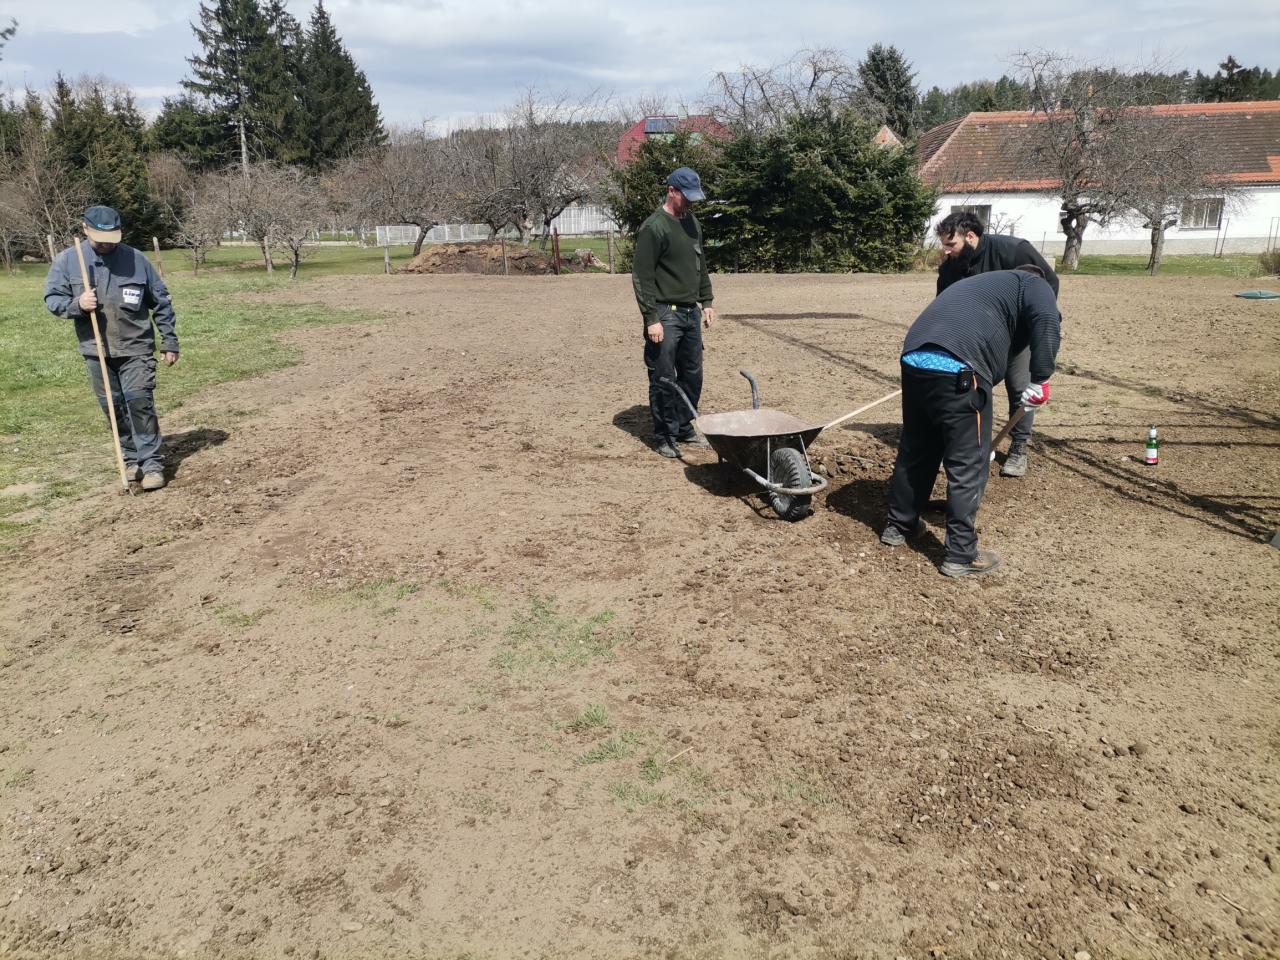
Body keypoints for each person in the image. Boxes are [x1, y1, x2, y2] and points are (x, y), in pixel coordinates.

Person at [881, 266, 1060, 577]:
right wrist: (1041, 378)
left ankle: (899, 526)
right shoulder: (1035, 282)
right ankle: (961, 554)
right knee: (968, 463)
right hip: (960, 369)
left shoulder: (987, 286)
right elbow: (1047, 319)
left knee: (917, 449)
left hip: (915, 356)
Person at [44, 205, 180, 491]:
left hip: (136, 347)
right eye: (100, 239)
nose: (106, 244)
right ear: (85, 229)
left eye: (111, 238)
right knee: (113, 408)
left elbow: (161, 301)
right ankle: (130, 459)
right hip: (96, 349)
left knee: (140, 403)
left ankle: (151, 463)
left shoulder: (136, 259)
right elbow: (53, 299)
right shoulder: (68, 261)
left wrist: (169, 340)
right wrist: (77, 305)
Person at [935, 211, 1060, 478]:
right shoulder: (950, 267)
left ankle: (1019, 446)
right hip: (976, 341)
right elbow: (944, 304)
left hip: (1017, 335)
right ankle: (975, 444)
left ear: (970, 236)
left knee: (1020, 389)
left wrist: (1032, 328)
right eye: (944, 244)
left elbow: (1048, 287)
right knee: (972, 389)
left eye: (950, 244)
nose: (945, 251)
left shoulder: (1014, 251)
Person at [632, 166, 716, 459]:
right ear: (671, 191)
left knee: (693, 375)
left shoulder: (692, 223)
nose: (690, 202)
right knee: (664, 377)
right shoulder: (654, 227)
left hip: (691, 313)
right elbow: (642, 276)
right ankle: (665, 435)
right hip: (665, 313)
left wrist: (707, 301)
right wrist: (651, 318)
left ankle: (682, 426)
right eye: (686, 197)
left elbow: (700, 265)